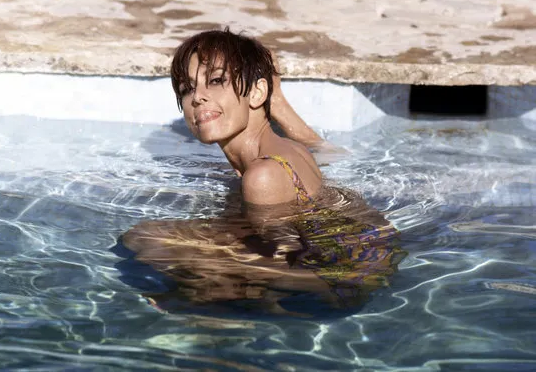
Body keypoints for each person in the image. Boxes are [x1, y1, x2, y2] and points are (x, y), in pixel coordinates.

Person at [121, 28, 405, 314]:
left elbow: (282, 259)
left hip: (333, 286)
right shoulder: (289, 149)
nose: (197, 97)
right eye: (187, 88)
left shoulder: (263, 175)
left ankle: (211, 322)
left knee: (147, 239)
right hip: (367, 260)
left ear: (257, 93)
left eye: (216, 81)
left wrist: (202, 290)